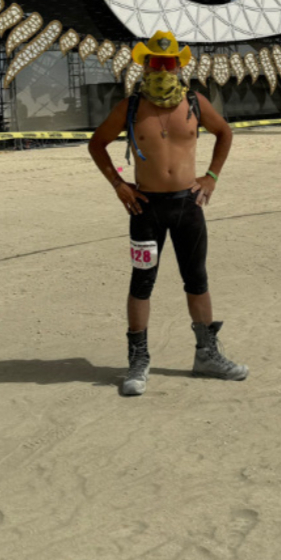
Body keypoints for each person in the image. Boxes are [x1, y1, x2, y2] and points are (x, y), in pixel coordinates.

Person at [87, 30, 249, 396]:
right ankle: (138, 361)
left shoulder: (194, 102)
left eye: (168, 62)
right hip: (145, 208)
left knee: (197, 279)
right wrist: (118, 184)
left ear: (178, 65)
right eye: (156, 62)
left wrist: (210, 177)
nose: (163, 68)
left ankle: (207, 355)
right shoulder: (129, 108)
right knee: (142, 283)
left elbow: (224, 133)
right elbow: (96, 144)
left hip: (188, 206)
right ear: (145, 64)